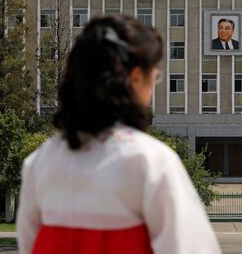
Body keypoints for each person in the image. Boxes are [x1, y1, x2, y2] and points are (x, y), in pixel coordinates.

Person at [16, 15, 221, 254]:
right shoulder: (150, 162)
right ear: (135, 78)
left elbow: (28, 245)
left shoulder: (41, 161)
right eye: (154, 77)